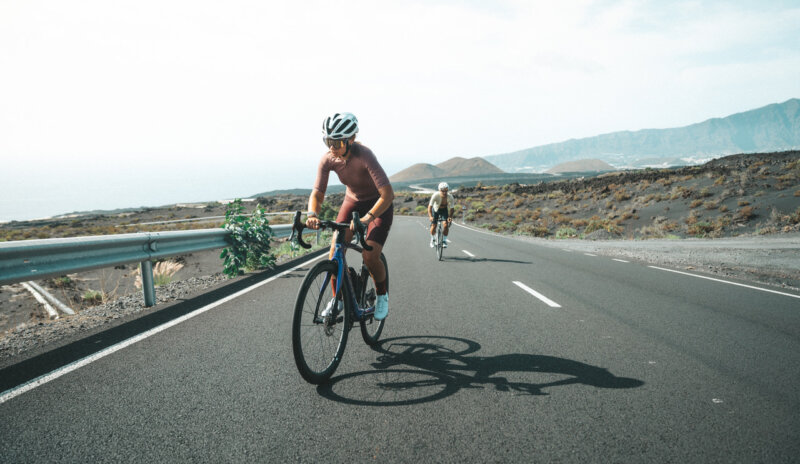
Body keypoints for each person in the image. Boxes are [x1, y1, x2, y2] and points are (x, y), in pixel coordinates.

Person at [305, 113, 394, 320]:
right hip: (352, 202)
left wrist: (368, 218)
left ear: (350, 140)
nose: (331, 147)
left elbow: (388, 195)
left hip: (378, 205)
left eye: (336, 142)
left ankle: (382, 295)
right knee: (335, 252)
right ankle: (339, 299)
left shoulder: (364, 155)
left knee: (369, 255)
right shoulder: (328, 159)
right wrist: (312, 214)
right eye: (328, 141)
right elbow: (318, 193)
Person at [428, 182, 455, 248]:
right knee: (434, 225)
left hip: (444, 210)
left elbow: (452, 208)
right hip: (435, 210)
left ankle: (444, 241)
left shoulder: (450, 197)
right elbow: (430, 207)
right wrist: (431, 216)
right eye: (442, 191)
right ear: (439, 190)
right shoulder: (435, 195)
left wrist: (450, 217)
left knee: (446, 225)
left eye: (446, 191)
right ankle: (433, 239)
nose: (444, 192)